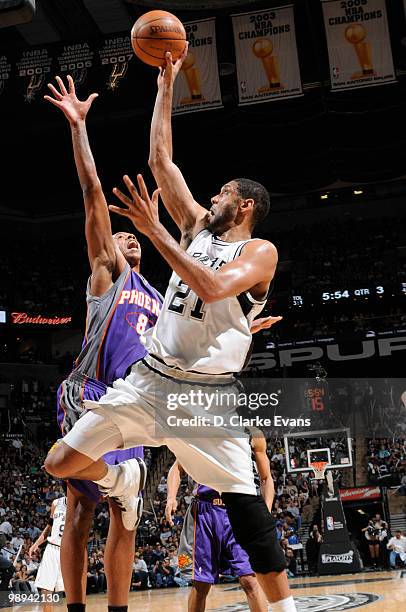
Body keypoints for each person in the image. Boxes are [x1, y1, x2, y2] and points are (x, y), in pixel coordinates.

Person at [45, 48, 294, 612]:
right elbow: (161, 160)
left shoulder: (259, 250)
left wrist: (155, 233)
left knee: (249, 514)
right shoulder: (198, 226)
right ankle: (121, 483)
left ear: (246, 205)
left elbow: (209, 288)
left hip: (204, 401)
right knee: (59, 463)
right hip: (149, 380)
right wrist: (166, 83)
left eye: (224, 193)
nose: (212, 197)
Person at [44, 74, 163, 612]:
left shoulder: (159, 296)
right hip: (90, 392)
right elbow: (93, 193)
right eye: (121, 234)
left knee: (127, 511)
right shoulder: (107, 276)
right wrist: (79, 128)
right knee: (80, 509)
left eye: (133, 236)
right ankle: (74, 608)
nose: (128, 237)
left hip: (134, 403)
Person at [165, 431, 273, 612]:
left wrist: (266, 512)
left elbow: (266, 478)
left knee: (250, 580)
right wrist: (170, 497)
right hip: (205, 513)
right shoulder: (200, 430)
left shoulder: (252, 432)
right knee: (200, 584)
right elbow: (177, 467)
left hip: (240, 510)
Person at [29, 496, 66, 601]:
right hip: (52, 548)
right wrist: (36, 544)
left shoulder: (81, 503)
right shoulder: (56, 503)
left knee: (70, 589)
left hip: (68, 551)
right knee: (46, 589)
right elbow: (49, 527)